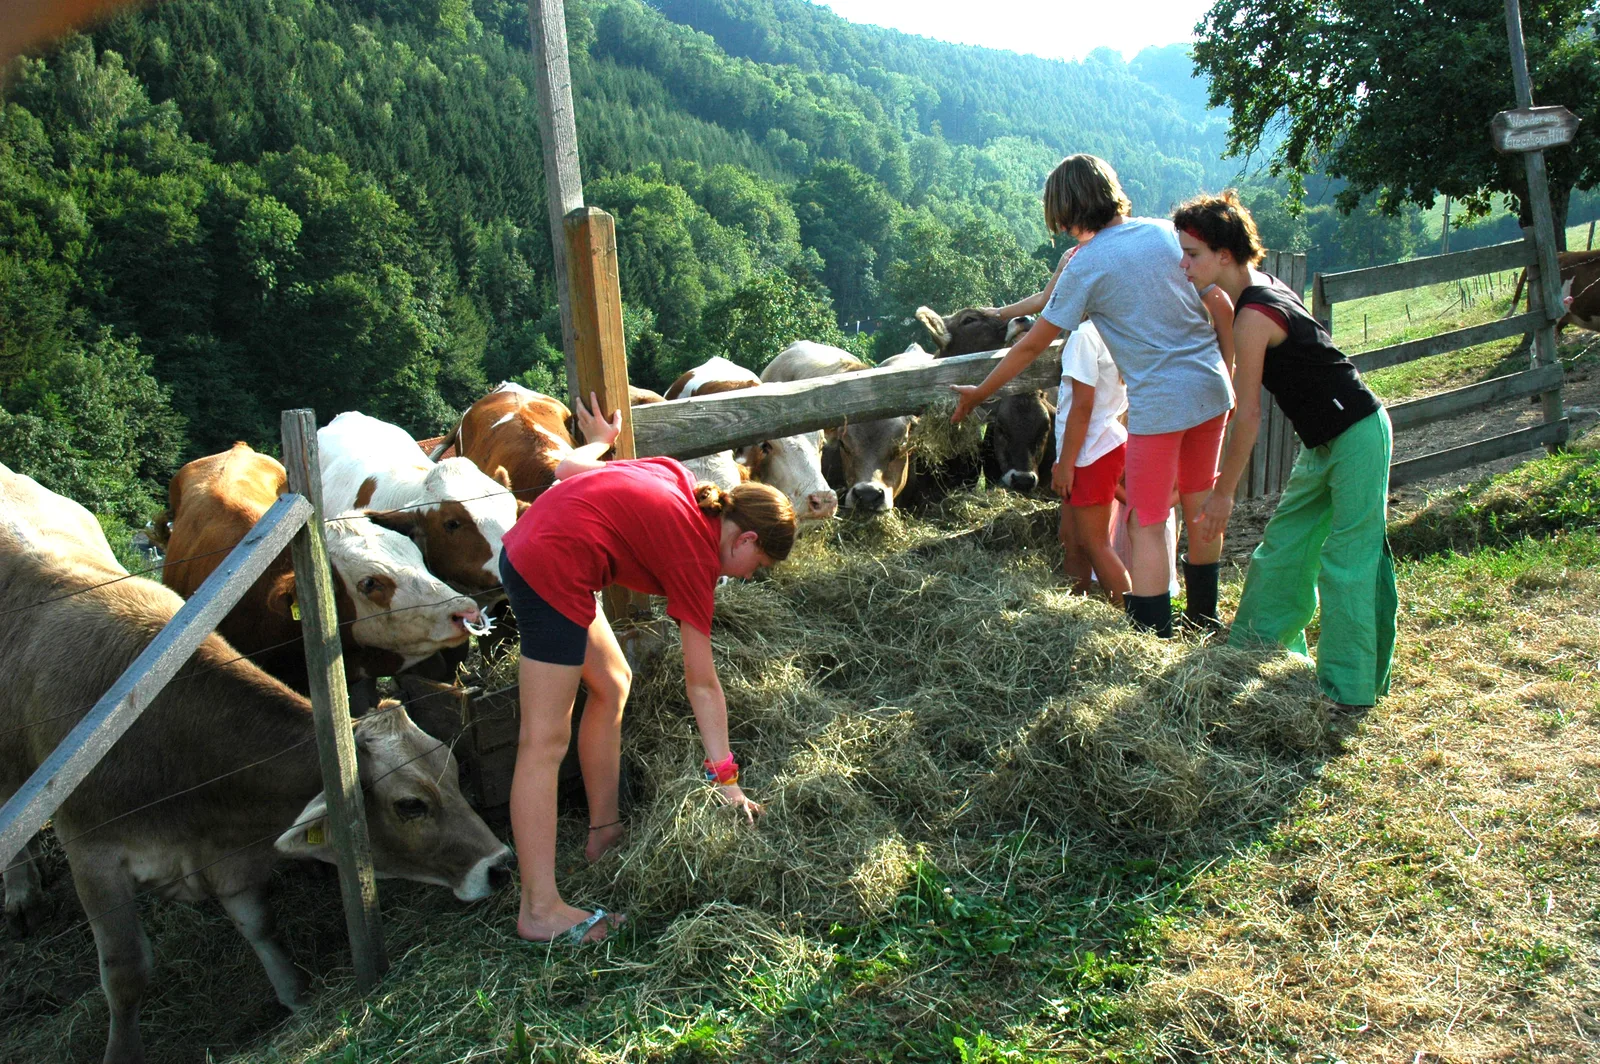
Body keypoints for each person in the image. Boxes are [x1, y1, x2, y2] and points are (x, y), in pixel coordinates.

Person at [498, 394, 796, 944]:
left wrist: (600, 443)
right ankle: (538, 910)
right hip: (549, 568)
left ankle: (604, 831)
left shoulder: (677, 478)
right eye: (758, 567)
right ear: (746, 538)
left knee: (613, 682)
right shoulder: (695, 554)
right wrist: (726, 779)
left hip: (543, 548)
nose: (750, 579)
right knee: (542, 741)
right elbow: (702, 683)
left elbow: (566, 469)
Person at [952, 154, 1235, 637]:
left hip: (1160, 405)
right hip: (1211, 390)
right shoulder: (1168, 233)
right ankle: (1204, 620)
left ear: (1067, 212)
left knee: (1145, 520)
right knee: (1200, 503)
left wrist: (980, 391)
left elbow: (1034, 343)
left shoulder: (1087, 263)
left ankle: (1153, 634)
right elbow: (1221, 302)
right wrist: (1226, 367)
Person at [1172, 191, 1395, 709]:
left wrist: (1223, 495)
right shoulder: (1255, 288)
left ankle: (1349, 691)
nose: (1183, 265)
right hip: (1321, 443)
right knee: (1282, 551)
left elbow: (1247, 413)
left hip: (1359, 433)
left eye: (1192, 254)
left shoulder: (1255, 314)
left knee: (1348, 561)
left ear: (1224, 255)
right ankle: (1257, 651)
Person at [1051, 320, 1130, 606]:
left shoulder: (1084, 336)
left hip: (1091, 453)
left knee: (1096, 544)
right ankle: (1076, 607)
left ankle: (1135, 621)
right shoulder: (1114, 329)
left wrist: (1066, 464)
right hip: (1091, 448)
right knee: (1071, 537)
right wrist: (1064, 459)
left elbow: (1082, 408)